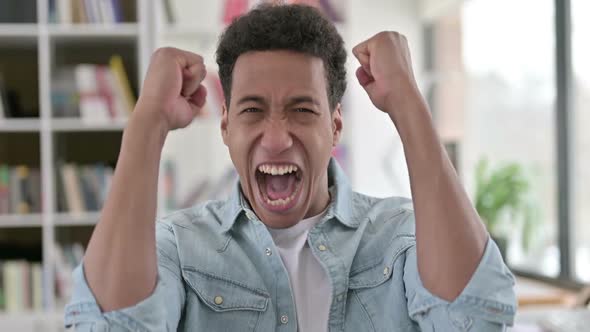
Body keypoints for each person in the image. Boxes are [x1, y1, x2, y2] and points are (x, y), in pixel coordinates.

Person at [65, 4, 516, 331]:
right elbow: (107, 326)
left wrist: (409, 105)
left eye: (302, 110)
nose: (277, 137)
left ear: (335, 125)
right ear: (225, 126)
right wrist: (147, 123)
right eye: (252, 111)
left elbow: (476, 317)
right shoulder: (176, 247)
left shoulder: (404, 237)